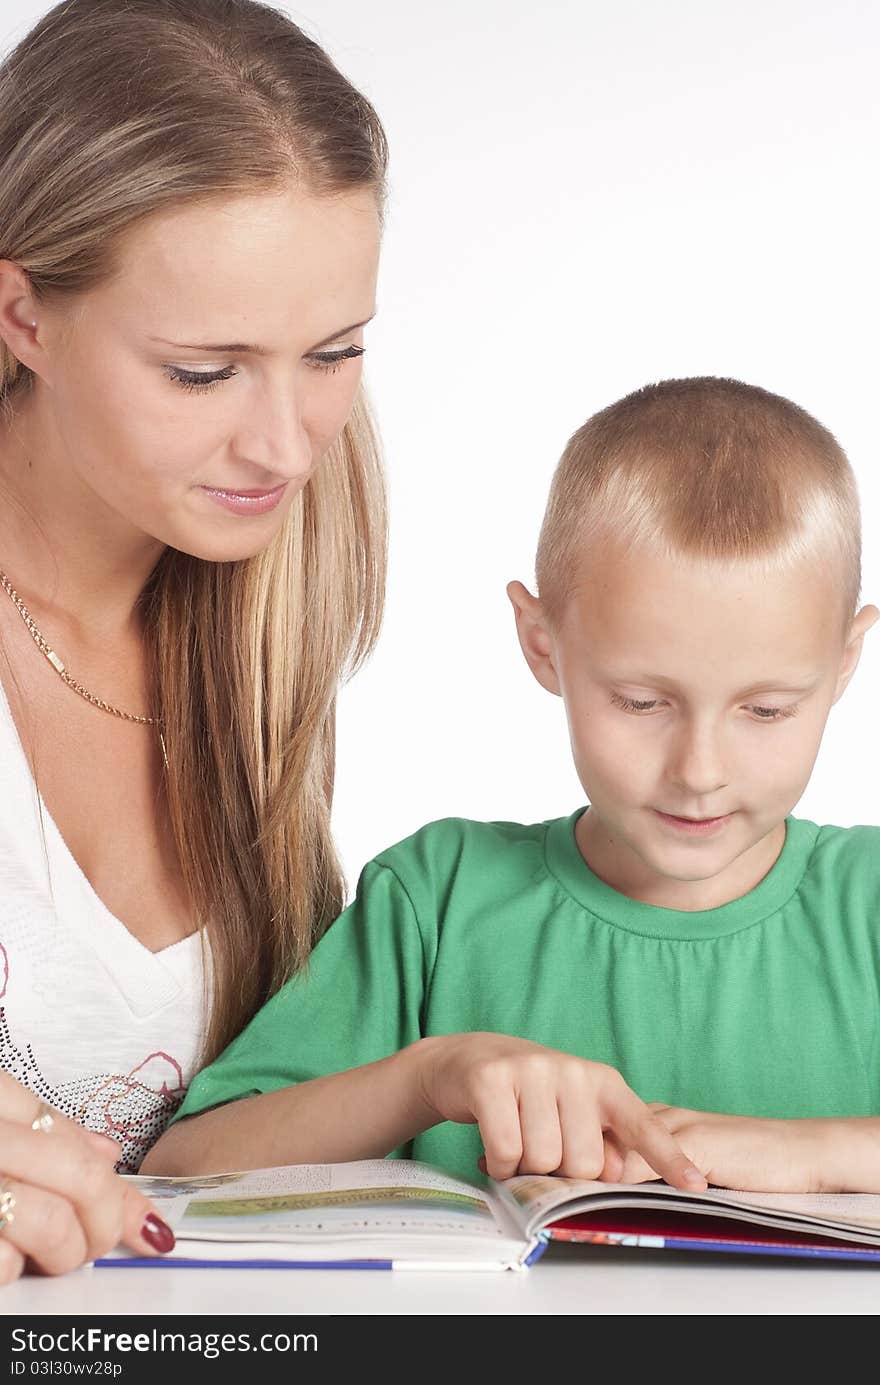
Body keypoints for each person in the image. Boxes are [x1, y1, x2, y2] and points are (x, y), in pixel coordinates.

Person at [148, 376, 880, 1195]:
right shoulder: (440, 898)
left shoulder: (869, 900)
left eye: (768, 709)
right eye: (642, 702)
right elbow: (183, 1170)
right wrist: (426, 1078)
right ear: (541, 644)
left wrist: (818, 1152)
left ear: (845, 661)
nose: (699, 770)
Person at [0, 0, 387, 1283]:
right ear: (20, 314)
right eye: (203, 371)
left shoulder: (267, 610)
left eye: (331, 353)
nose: (285, 445)